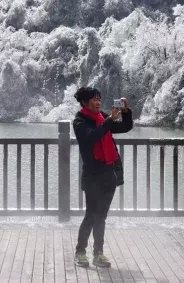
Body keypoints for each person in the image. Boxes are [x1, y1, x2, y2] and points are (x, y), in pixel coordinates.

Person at [72, 86, 133, 268]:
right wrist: (108, 121)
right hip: (92, 176)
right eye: (94, 99)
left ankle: (98, 253)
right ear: (84, 102)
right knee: (91, 215)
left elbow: (125, 127)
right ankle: (80, 251)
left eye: (99, 99)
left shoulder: (102, 118)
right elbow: (92, 137)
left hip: (109, 174)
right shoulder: (79, 121)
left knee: (101, 217)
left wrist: (126, 112)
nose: (98, 102)